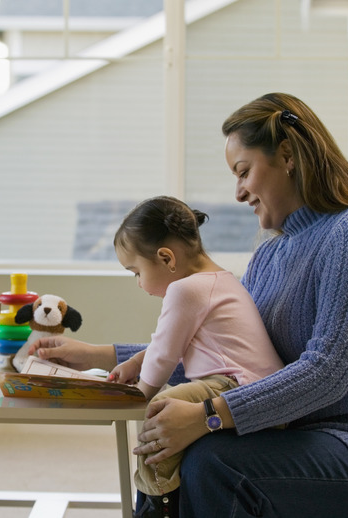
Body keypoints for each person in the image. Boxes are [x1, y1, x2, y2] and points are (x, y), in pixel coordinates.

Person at [29, 93, 348, 517]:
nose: (237, 192)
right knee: (185, 450)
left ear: (287, 155)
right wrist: (95, 357)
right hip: (305, 433)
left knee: (214, 461)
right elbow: (227, 355)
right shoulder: (270, 254)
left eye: (243, 172)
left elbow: (327, 373)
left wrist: (207, 415)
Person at [106, 195, 283, 517]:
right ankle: (161, 495)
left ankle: (158, 504)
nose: (138, 283)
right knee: (169, 411)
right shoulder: (219, 280)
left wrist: (141, 393)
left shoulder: (185, 289)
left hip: (236, 386)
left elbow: (165, 356)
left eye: (135, 271)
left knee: (159, 410)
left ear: (165, 258)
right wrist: (135, 362)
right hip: (254, 389)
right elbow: (168, 342)